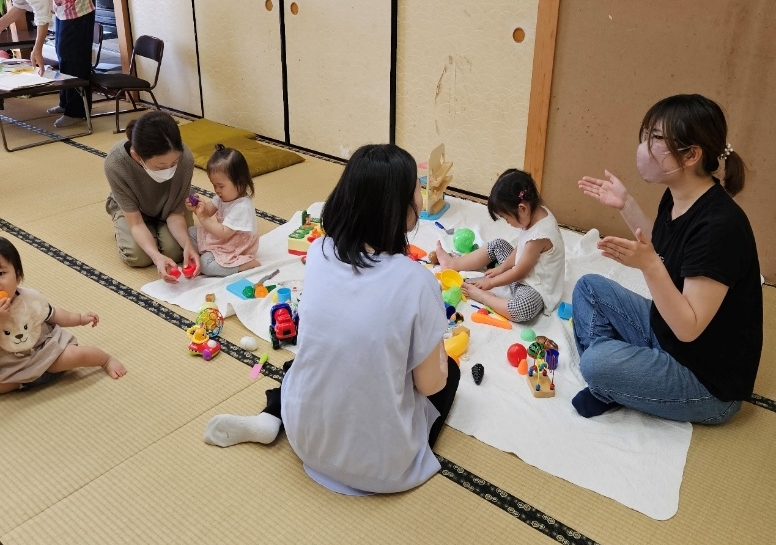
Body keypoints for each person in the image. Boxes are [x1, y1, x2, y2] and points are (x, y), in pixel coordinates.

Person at [203, 144, 460, 495]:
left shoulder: (320, 250)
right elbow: (429, 385)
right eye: (417, 186)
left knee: (305, 364)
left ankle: (272, 417)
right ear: (400, 207)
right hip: (379, 468)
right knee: (449, 374)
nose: (421, 192)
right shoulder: (418, 282)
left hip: (305, 437)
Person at [571, 94, 762, 423]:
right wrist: (626, 204)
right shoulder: (677, 195)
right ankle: (621, 376)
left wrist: (649, 266)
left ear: (690, 155)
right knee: (588, 287)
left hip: (706, 379)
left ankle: (610, 379)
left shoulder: (720, 228)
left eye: (655, 138)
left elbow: (688, 327)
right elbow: (663, 247)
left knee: (594, 364)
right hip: (666, 333)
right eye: (645, 135)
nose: (643, 146)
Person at [435, 169, 565, 323]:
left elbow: (519, 272)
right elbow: (521, 249)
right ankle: (452, 263)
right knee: (498, 245)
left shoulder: (540, 235)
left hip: (536, 287)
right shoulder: (534, 214)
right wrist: (502, 269)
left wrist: (490, 283)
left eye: (506, 218)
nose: (508, 223)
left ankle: (485, 298)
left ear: (522, 208)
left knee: (522, 308)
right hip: (523, 269)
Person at [0, 237, 126, 394]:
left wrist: (79, 318)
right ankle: (22, 384)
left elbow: (54, 315)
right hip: (11, 369)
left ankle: (105, 359)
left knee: (76, 355)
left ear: (18, 276)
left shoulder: (30, 300)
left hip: (47, 354)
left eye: (1, 273)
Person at [104, 111, 200, 283]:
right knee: (138, 257)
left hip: (170, 208)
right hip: (134, 212)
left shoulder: (185, 158)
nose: (169, 169)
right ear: (137, 156)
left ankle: (157, 234)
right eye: (161, 166)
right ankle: (127, 228)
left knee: (177, 252)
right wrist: (157, 257)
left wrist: (188, 246)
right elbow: (136, 222)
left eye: (174, 163)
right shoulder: (116, 164)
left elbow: (176, 214)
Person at [185, 144, 260, 277]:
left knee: (206, 265)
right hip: (221, 238)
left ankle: (243, 265)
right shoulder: (223, 196)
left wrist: (203, 219)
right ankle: (211, 254)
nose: (217, 190)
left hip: (235, 245)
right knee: (189, 233)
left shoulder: (242, 207)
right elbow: (208, 211)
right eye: (214, 185)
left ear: (240, 183)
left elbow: (224, 233)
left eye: (221, 186)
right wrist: (199, 207)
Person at [19, 0, 96, 127]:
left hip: (77, 9)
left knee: (75, 60)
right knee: (63, 55)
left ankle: (76, 112)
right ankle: (65, 103)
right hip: (62, 8)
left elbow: (41, 14)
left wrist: (37, 48)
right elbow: (19, 5)